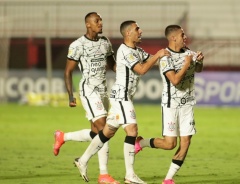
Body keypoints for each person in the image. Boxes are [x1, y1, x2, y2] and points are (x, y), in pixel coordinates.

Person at [73, 20, 171, 184]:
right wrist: (158, 55)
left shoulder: (137, 51)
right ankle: (130, 175)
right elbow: (141, 69)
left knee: (107, 132)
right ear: (128, 33)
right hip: (121, 97)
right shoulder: (125, 51)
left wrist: (174, 55)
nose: (140, 31)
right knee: (132, 130)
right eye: (137, 29)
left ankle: (82, 160)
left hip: (123, 97)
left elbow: (153, 60)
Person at [53, 12, 119, 184]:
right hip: (89, 90)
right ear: (88, 24)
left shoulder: (105, 42)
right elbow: (68, 71)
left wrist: (127, 69)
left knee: (96, 134)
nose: (100, 23)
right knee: (105, 129)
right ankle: (103, 174)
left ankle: (63, 137)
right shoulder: (78, 45)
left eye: (101, 20)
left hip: (103, 90)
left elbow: (113, 65)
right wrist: (70, 95)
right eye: (97, 21)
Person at [134, 25, 204, 184]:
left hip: (187, 105)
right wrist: (187, 64)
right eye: (182, 34)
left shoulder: (190, 53)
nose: (185, 37)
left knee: (186, 142)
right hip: (171, 105)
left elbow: (198, 70)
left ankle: (168, 179)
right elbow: (175, 80)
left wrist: (199, 61)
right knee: (169, 144)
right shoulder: (165, 57)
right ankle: (141, 142)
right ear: (173, 38)